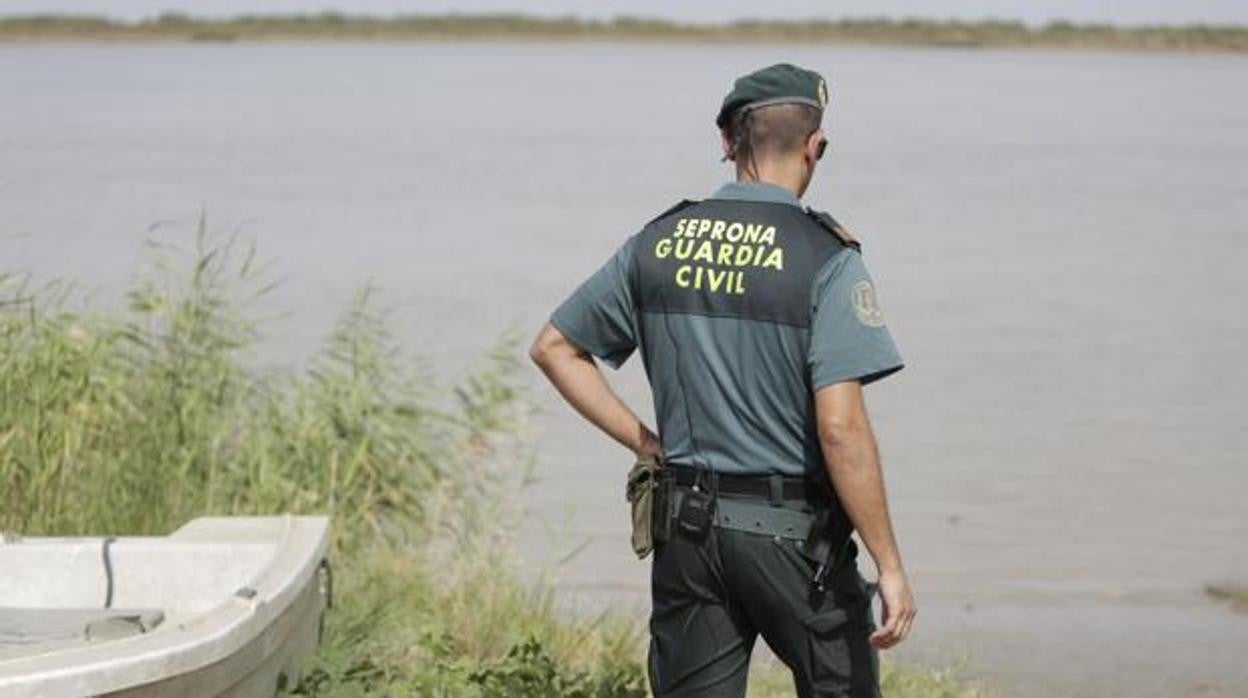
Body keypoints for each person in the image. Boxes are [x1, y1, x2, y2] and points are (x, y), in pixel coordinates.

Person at [530, 63, 915, 697]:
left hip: (688, 533)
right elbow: (841, 428)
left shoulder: (656, 243)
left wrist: (644, 441)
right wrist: (889, 565)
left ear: (726, 142)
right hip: (796, 543)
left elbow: (554, 348)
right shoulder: (827, 259)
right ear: (815, 147)